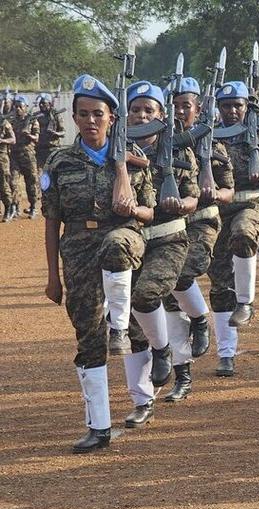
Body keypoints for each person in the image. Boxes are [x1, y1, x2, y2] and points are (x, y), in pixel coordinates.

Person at [41, 74, 156, 452]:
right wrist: (53, 277)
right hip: (77, 250)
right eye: (84, 114)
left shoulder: (131, 159)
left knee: (115, 248)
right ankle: (99, 425)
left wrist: (130, 203)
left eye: (98, 114)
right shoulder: (59, 161)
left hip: (123, 237)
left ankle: (129, 355)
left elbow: (150, 211)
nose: (91, 121)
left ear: (111, 118)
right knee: (89, 335)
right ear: (74, 117)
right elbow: (52, 221)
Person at [122, 80, 199, 426]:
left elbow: (194, 196)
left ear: (161, 115)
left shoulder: (178, 149)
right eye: (135, 110)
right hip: (132, 245)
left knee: (152, 296)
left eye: (148, 110)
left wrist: (181, 204)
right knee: (129, 323)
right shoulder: (116, 152)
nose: (141, 116)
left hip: (169, 240)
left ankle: (177, 364)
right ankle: (142, 400)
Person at [162, 76, 236, 401]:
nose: (180, 111)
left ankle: (202, 320)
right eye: (174, 106)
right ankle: (183, 375)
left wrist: (214, 192)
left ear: (198, 108)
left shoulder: (212, 146)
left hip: (202, 221)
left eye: (185, 106)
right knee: (168, 298)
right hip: (169, 226)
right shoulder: (158, 145)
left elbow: (229, 190)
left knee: (185, 274)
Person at [208, 81, 259, 376]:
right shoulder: (210, 137)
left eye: (237, 105)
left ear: (246, 107)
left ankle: (246, 302)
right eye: (226, 106)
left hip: (252, 204)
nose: (231, 111)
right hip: (217, 212)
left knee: (243, 233)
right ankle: (226, 353)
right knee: (218, 283)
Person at [10, 95, 41, 218]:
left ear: (26, 107)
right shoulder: (12, 121)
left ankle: (33, 207)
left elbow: (36, 138)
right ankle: (15, 207)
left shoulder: (32, 121)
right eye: (16, 106)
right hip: (14, 155)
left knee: (31, 181)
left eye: (20, 106)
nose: (18, 109)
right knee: (13, 181)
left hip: (28, 155)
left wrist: (28, 135)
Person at [36, 93, 66, 170]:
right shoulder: (37, 116)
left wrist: (56, 133)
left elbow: (63, 132)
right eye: (40, 103)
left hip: (52, 149)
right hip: (40, 149)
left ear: (49, 104)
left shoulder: (55, 115)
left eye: (43, 103)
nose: (41, 105)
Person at [0, 114, 14, 221]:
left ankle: (8, 208)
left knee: (4, 184)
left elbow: (13, 139)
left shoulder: (4, 123)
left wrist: (2, 140)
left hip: (2, 157)